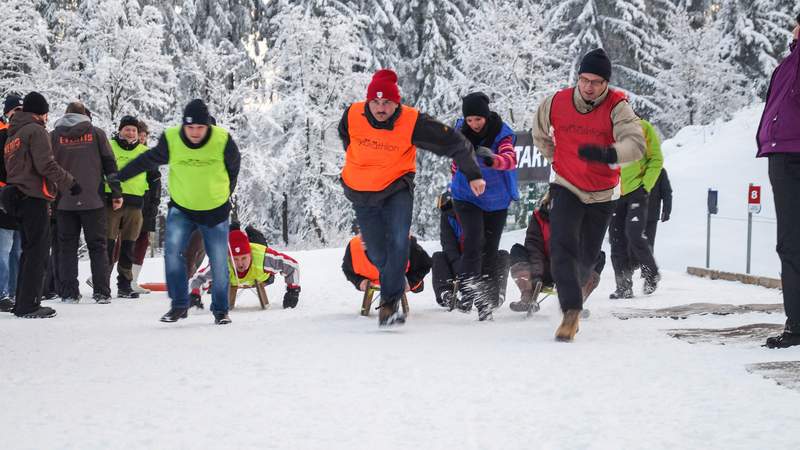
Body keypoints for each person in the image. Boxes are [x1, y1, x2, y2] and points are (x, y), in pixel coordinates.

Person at [338, 69, 484, 327]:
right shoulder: (352, 114)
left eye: (387, 103)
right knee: (376, 251)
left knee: (397, 240)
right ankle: (391, 284)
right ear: (367, 101)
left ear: (397, 103)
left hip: (397, 187)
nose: (381, 108)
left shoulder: (412, 122)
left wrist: (472, 173)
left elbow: (452, 142)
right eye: (375, 102)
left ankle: (390, 305)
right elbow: (346, 138)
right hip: (361, 191)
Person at [533, 48, 646, 341]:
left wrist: (608, 153)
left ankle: (576, 293)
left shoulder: (617, 106)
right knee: (561, 245)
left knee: (586, 257)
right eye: (584, 79)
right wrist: (555, 158)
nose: (588, 87)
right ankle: (570, 312)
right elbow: (539, 131)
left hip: (602, 192)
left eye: (596, 81)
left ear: (606, 83)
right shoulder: (556, 101)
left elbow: (636, 145)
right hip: (567, 184)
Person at [111, 99, 240, 325]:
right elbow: (147, 160)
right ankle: (179, 305)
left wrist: (224, 193)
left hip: (215, 210)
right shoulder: (172, 139)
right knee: (172, 255)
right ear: (183, 126)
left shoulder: (222, 140)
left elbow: (234, 168)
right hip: (182, 207)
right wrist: (120, 176)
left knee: (219, 261)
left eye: (200, 127)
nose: (195, 133)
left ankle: (220, 310)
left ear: (208, 127)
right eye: (190, 128)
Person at [3, 92, 80, 319]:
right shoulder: (36, 131)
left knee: (27, 251)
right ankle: (30, 305)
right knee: (37, 252)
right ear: (41, 113)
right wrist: (70, 182)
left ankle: (22, 302)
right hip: (34, 197)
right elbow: (46, 164)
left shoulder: (12, 135)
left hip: (16, 196)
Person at [448, 92, 517, 321]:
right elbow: (455, 163)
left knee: (490, 249)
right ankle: (468, 291)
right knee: (474, 239)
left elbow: (510, 160)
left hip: (496, 200)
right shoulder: (460, 132)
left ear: (486, 117)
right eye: (469, 120)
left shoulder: (501, 132)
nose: (474, 124)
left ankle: (485, 303)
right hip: (466, 196)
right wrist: (463, 174)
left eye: (478, 119)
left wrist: (494, 159)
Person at [756, 15, 800, 348]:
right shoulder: (788, 63)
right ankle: (796, 323)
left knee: (793, 244)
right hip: (782, 156)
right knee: (790, 244)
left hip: (791, 154)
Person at [51, 101, 122, 304]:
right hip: (94, 200)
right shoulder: (97, 133)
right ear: (85, 115)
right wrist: (116, 192)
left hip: (63, 201)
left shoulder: (54, 136)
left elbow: (46, 165)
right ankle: (101, 292)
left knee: (66, 248)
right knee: (98, 247)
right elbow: (110, 163)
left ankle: (68, 293)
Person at [508, 192, 605, 313]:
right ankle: (527, 295)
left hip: (572, 273)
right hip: (544, 269)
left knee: (598, 256)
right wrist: (537, 276)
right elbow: (534, 248)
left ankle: (576, 300)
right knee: (517, 251)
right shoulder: (539, 218)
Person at [608, 118, 663, 299]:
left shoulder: (643, 127)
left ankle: (650, 272)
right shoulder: (603, 128)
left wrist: (645, 186)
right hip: (613, 193)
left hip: (636, 191)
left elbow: (656, 159)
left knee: (633, 232)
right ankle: (623, 286)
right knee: (616, 240)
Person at [106, 116, 159, 298]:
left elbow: (154, 180)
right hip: (111, 203)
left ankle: (125, 285)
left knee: (129, 246)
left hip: (136, 205)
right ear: (120, 130)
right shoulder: (109, 146)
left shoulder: (145, 152)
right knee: (108, 244)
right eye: (127, 129)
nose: (130, 133)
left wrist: (153, 203)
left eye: (133, 130)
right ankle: (102, 284)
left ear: (138, 133)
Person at [189, 226, 300, 310]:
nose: (240, 264)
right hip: (232, 271)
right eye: (235, 260)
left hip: (260, 271)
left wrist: (293, 290)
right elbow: (200, 278)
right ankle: (233, 229)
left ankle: (251, 231)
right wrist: (195, 293)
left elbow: (292, 265)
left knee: (257, 239)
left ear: (250, 255)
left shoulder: (265, 258)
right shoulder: (223, 263)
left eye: (243, 258)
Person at [431, 191, 509, 309]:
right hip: (458, 261)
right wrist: (460, 268)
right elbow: (448, 245)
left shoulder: (481, 214)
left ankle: (497, 294)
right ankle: (446, 294)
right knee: (438, 257)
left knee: (502, 255)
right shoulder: (448, 217)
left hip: (482, 262)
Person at [342, 231, 431, 297]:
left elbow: (424, 264)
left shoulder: (406, 242)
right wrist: (360, 282)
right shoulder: (354, 246)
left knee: (417, 286)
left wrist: (409, 282)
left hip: (401, 277)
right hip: (376, 280)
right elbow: (347, 269)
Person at [130, 120, 161, 294]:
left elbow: (156, 181)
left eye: (144, 136)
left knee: (142, 241)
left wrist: (155, 202)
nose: (142, 139)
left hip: (147, 203)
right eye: (139, 136)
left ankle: (134, 279)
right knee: (125, 241)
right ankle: (119, 276)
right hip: (132, 202)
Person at [0, 95, 23, 312]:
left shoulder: (21, 135)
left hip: (19, 194)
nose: (18, 113)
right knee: (4, 247)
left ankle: (15, 291)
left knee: (17, 248)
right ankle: (2, 293)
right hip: (4, 193)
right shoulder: (3, 134)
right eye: (15, 109)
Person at [645, 168, 672, 252]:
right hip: (632, 214)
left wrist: (666, 210)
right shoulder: (633, 167)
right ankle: (631, 264)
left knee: (648, 245)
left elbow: (666, 192)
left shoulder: (659, 171)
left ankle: (645, 264)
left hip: (650, 215)